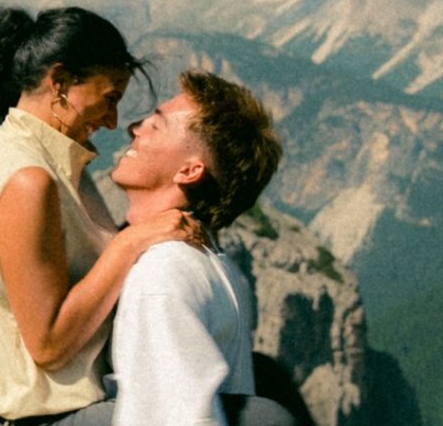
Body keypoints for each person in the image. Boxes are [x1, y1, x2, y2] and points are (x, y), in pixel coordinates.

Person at [0, 5, 192, 422]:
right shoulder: (31, 180)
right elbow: (47, 346)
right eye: (110, 98)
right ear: (60, 82)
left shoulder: (53, 162)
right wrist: (129, 243)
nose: (115, 119)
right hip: (42, 419)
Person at [99, 73, 296, 426]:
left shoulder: (162, 274)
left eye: (155, 126)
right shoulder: (213, 263)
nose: (134, 128)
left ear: (189, 170)